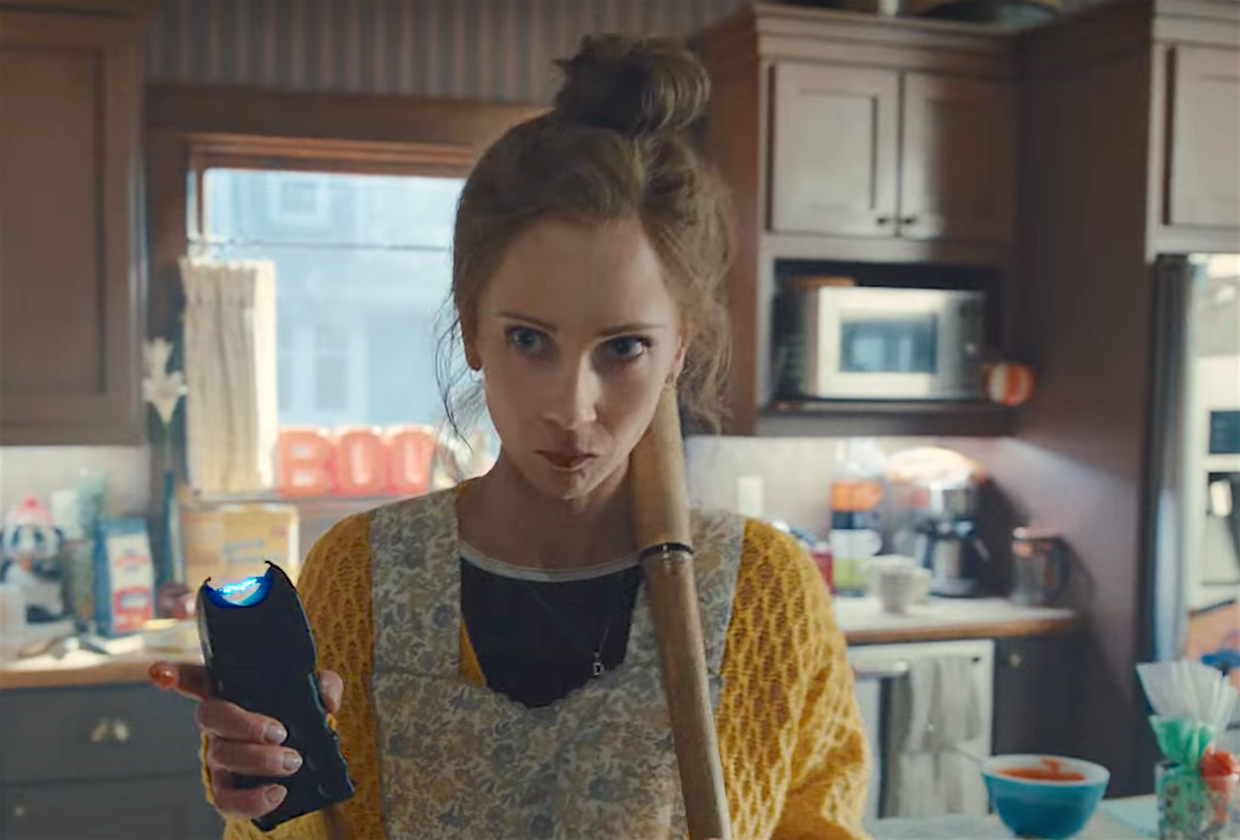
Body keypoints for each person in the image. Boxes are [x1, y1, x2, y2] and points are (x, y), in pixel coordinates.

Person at [151, 34, 868, 840]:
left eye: (623, 348)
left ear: (680, 349)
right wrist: (267, 799)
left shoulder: (765, 594)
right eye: (530, 340)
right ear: (472, 330)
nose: (573, 406)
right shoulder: (359, 578)